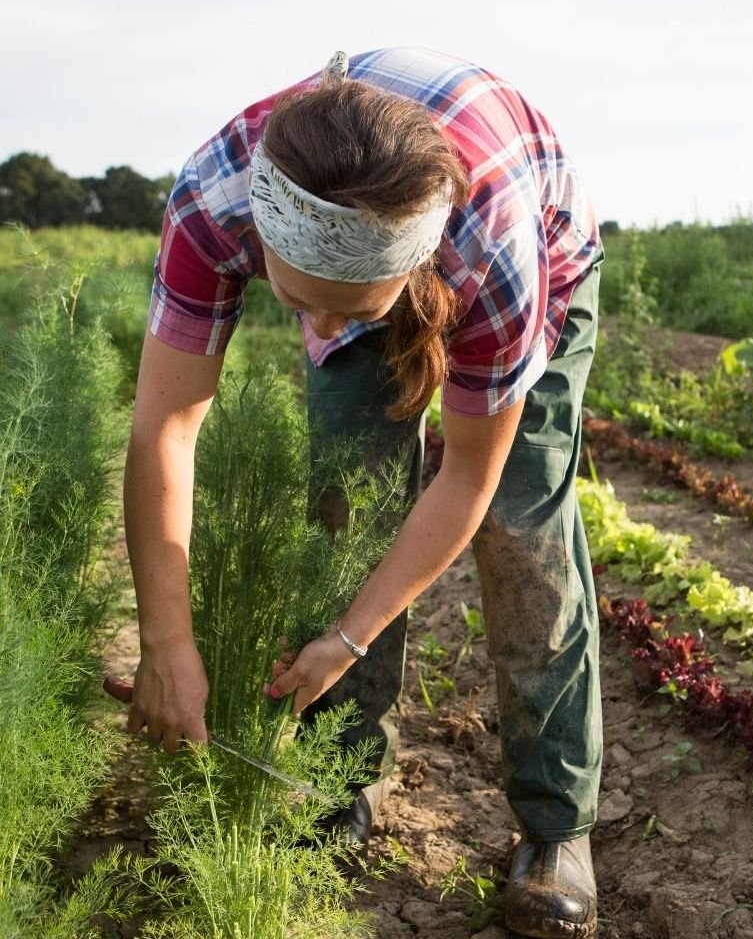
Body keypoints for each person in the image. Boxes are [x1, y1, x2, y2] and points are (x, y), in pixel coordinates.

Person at [124, 47, 604, 939]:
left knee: (520, 528)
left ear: (410, 269)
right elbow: (164, 429)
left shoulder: (490, 251)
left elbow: (465, 475)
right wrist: (167, 641)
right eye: (302, 304)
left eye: (355, 312)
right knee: (343, 511)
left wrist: (347, 639)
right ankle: (345, 779)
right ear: (264, 240)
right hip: (366, 256)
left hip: (537, 249)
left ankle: (554, 826)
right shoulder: (214, 202)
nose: (326, 331)